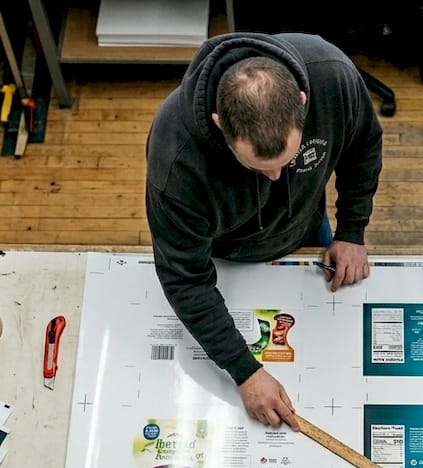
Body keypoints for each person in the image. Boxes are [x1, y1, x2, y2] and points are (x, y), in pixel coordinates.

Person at [146, 33, 383, 429]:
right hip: (226, 255)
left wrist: (352, 231)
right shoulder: (175, 159)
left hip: (308, 228)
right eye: (258, 167)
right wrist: (246, 371)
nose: (275, 177)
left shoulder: (333, 77)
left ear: (303, 104)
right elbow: (185, 279)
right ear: (221, 125)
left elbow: (363, 145)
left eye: (285, 162)